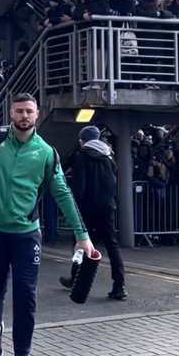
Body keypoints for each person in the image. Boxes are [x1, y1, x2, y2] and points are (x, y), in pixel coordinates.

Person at [0, 93, 95, 356]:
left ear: (37, 115)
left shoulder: (46, 152)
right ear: (11, 113)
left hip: (26, 234)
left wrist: (81, 235)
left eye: (29, 111)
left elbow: (62, 192)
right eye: (19, 111)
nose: (24, 116)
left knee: (25, 294)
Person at [63, 126, 127, 300]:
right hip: (107, 206)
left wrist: (73, 206)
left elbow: (79, 186)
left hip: (86, 207)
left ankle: (75, 278)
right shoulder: (109, 157)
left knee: (79, 241)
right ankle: (119, 285)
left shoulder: (81, 157)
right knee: (112, 245)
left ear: (82, 140)